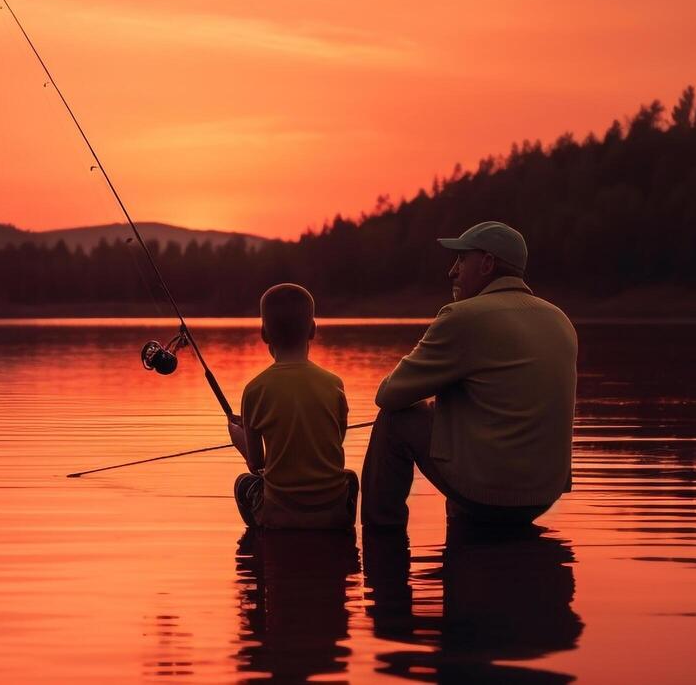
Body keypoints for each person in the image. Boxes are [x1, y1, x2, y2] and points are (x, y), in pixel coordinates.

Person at [362, 221, 577, 528]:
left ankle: (381, 544)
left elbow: (389, 394)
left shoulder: (463, 316)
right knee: (459, 422)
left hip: (491, 493)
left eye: (462, 259)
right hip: (543, 494)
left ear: (487, 263)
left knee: (396, 418)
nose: (453, 271)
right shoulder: (560, 320)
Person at [229, 282, 359, 529]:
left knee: (244, 483)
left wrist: (241, 441)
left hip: (279, 515)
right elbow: (336, 442)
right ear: (313, 329)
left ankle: (261, 546)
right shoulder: (334, 385)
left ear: (264, 334)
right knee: (350, 477)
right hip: (333, 514)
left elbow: (257, 466)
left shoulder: (255, 390)